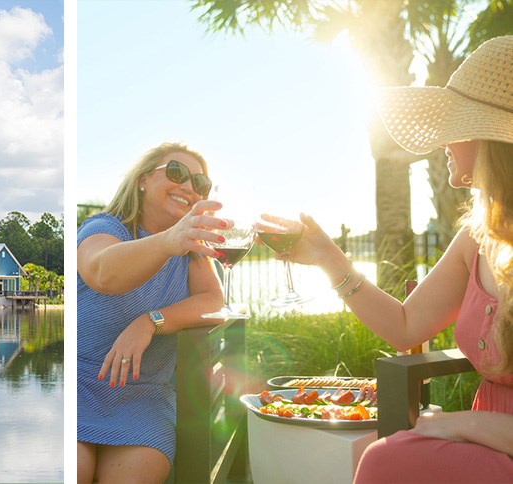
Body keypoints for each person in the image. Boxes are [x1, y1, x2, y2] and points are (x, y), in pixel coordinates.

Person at [260, 35, 513, 483]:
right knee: (379, 451)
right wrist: (327, 257)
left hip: (493, 439)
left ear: (487, 137)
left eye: (452, 126)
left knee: (384, 458)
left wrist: (460, 423)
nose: (441, 142)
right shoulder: (476, 240)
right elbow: (404, 325)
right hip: (485, 438)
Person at [76, 142, 225, 483]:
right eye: (176, 173)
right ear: (143, 179)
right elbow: (103, 273)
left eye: (200, 184)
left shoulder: (190, 248)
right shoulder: (105, 227)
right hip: (79, 387)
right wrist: (169, 241)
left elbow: (214, 301)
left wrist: (151, 322)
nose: (188, 187)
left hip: (142, 396)